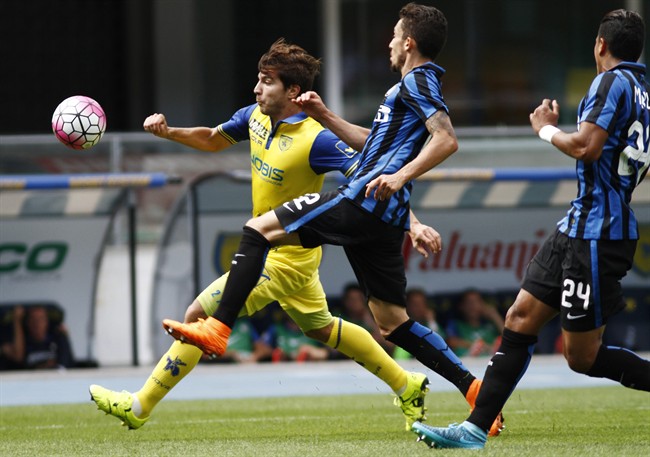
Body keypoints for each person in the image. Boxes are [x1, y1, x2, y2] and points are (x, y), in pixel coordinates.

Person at [163, 3, 503, 436]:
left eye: (396, 36)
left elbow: (446, 140)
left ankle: (218, 327)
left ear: (410, 43)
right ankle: (476, 393)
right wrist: (326, 115)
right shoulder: (409, 87)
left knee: (258, 228)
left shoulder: (417, 80)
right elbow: (373, 145)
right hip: (385, 215)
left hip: (363, 201)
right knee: (392, 322)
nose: (390, 43)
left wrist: (400, 177)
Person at [90, 38, 435, 432]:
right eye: (258, 79)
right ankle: (406, 383)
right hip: (273, 248)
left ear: (293, 91)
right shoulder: (253, 116)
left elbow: (375, 180)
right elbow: (212, 139)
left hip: (286, 255)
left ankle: (139, 406)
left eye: (267, 81)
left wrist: (414, 222)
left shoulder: (318, 138)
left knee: (198, 316)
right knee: (320, 326)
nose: (257, 88)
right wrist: (169, 132)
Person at [412, 9, 650, 449]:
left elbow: (586, 147)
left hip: (597, 236)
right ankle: (474, 429)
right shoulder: (643, 92)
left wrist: (544, 130)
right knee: (519, 317)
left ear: (600, 45)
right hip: (578, 228)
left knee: (582, 358)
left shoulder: (610, 82)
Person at [1, 305, 75, 370]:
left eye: (41, 319)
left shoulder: (56, 340)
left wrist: (64, 336)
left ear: (47, 322)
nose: (37, 323)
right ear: (27, 323)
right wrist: (17, 322)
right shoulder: (23, 343)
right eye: (33, 319)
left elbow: (65, 366)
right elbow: (18, 356)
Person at [445, 289, 504, 357]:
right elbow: (451, 341)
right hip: (468, 361)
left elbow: (509, 339)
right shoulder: (456, 324)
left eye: (477, 302)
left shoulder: (490, 326)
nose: (473, 306)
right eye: (469, 303)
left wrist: (495, 317)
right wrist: (478, 346)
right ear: (461, 306)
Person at [393, 288, 444, 360]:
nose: (419, 308)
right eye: (415, 304)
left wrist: (431, 321)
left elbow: (441, 342)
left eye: (422, 304)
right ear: (407, 305)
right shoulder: (399, 322)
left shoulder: (429, 323)